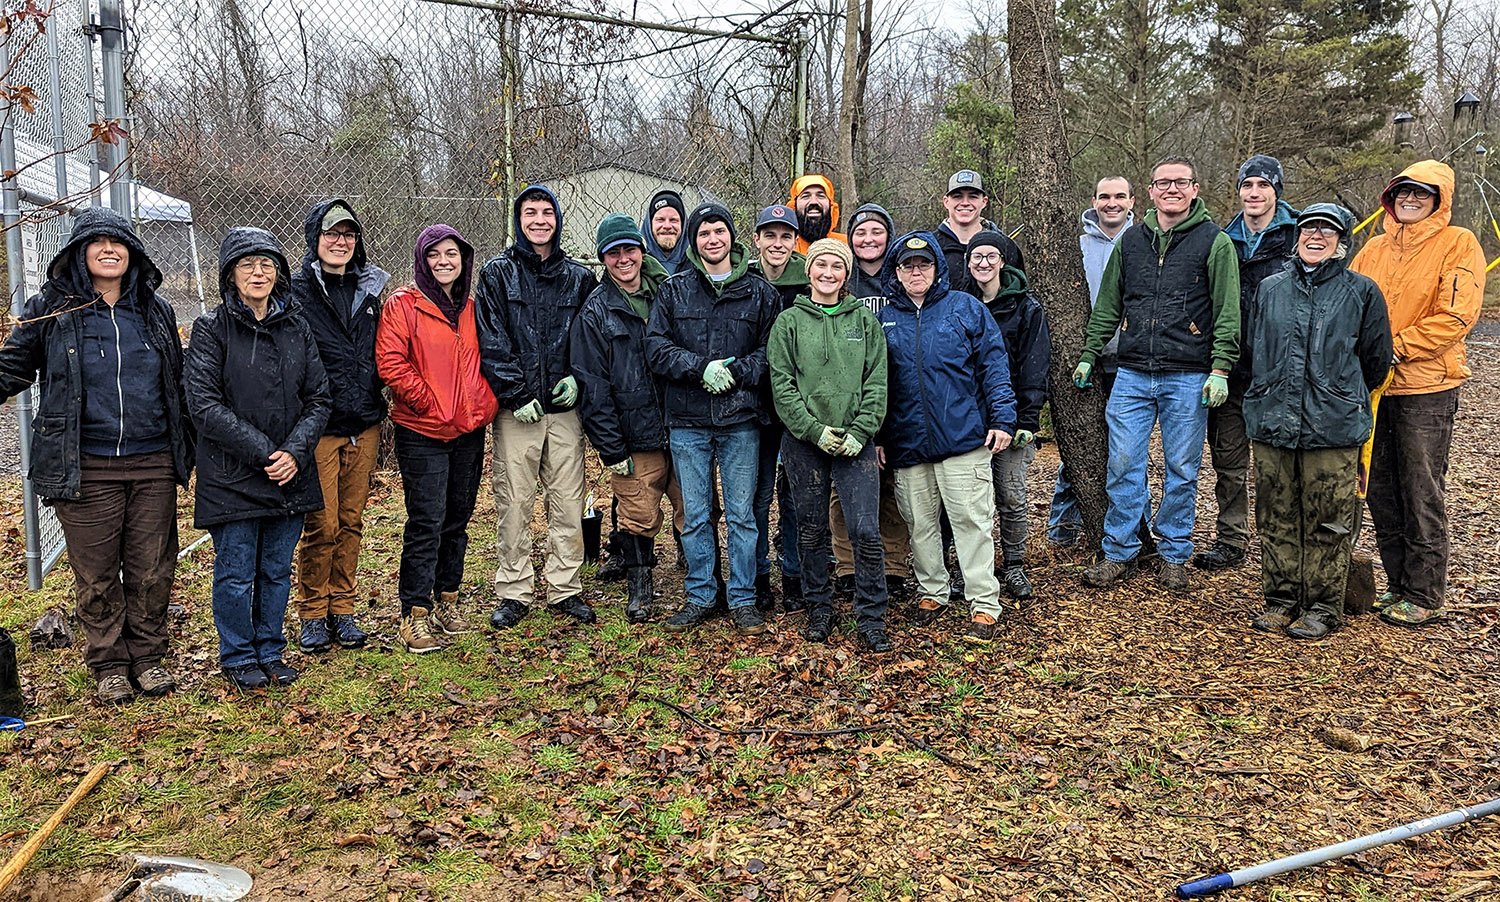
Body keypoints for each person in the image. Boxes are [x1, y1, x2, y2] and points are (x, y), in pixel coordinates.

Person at [0, 208, 193, 705]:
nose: (110, 249)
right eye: (97, 242)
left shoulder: (155, 310)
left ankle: (148, 657)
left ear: (134, 253)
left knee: (152, 567)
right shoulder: (52, 309)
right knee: (98, 571)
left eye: (119, 242)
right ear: (78, 253)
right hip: (85, 463)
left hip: (152, 460)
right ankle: (108, 662)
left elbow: (177, 383)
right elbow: (12, 367)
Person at [1074, 157, 1240, 592]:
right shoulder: (1132, 241)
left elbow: (1227, 311)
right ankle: (1119, 551)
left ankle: (1174, 552)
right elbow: (1109, 304)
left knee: (1182, 468)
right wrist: (1090, 354)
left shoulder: (1214, 242)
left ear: (1194, 189)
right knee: (1123, 463)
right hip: (1130, 373)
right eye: (1163, 182)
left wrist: (1220, 368)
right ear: (1150, 191)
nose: (1171, 189)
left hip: (1188, 374)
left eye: (1180, 182)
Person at [185, 228, 330, 690]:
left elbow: (319, 398)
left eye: (267, 263)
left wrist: (295, 451)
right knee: (235, 572)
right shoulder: (211, 329)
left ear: (280, 273)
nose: (258, 272)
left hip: (290, 473)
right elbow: (204, 404)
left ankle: (270, 648)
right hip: (233, 475)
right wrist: (267, 451)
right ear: (230, 274)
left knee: (275, 569)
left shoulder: (297, 327)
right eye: (247, 264)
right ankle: (238, 654)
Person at [1244, 204, 1391, 639]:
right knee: (1276, 514)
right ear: (1296, 235)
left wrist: (1336, 393)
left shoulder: (1362, 292)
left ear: (1342, 242)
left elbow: (1375, 362)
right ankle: (1280, 599)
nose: (1316, 236)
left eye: (1327, 231)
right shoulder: (1270, 288)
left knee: (1330, 518)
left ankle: (1324, 606)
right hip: (1272, 420)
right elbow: (1255, 350)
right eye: (1309, 228)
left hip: (1333, 425)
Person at [1350, 160, 1485, 627]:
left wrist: (1396, 349)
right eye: (1403, 192)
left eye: (1422, 194)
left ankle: (1425, 592)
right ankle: (1396, 582)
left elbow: (1457, 316)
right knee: (1380, 487)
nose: (1411, 200)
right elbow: (1350, 303)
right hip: (1374, 388)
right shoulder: (1372, 248)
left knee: (1420, 487)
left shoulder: (1458, 243)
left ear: (1439, 199)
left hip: (1427, 386)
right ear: (1390, 196)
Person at [646, 201, 781, 635]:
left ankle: (742, 597)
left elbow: (772, 353)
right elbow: (656, 348)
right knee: (698, 513)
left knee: (742, 514)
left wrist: (735, 372)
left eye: (719, 231)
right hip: (687, 421)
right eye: (703, 233)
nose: (712, 239)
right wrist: (699, 367)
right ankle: (702, 593)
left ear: (732, 237)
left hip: (741, 418)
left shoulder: (761, 293)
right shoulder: (673, 291)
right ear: (694, 240)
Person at [878, 232, 1016, 644]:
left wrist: (1003, 419)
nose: (915, 272)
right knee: (920, 523)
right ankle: (933, 591)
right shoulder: (884, 318)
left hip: (962, 436)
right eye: (907, 266)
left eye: (923, 265)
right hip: (906, 441)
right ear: (896, 272)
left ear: (937, 268)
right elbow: (877, 383)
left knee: (970, 520)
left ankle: (983, 601)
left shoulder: (965, 309)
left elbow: (994, 365)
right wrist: (880, 436)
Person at [476, 185, 599, 630]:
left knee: (567, 499)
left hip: (565, 410)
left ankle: (565, 586)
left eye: (548, 213)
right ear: (518, 219)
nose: (540, 221)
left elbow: (590, 340)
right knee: (514, 499)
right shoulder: (496, 275)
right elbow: (491, 340)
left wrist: (577, 378)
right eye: (531, 213)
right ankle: (514, 588)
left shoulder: (579, 277)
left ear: (558, 220)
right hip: (518, 412)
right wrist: (514, 393)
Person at [375, 224, 498, 653]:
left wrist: (479, 402)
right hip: (423, 429)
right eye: (434, 255)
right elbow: (391, 363)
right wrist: (430, 402)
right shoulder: (404, 305)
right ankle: (415, 612)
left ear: (464, 259)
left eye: (452, 254)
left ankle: (448, 599)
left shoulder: (471, 306)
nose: (444, 262)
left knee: (458, 517)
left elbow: (487, 357)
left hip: (468, 428)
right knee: (426, 520)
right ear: (421, 260)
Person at [768, 238, 891, 651]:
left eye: (836, 267)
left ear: (846, 274)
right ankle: (818, 608)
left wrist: (860, 432)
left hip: (856, 441)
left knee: (864, 528)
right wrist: (812, 430)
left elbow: (876, 381)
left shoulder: (864, 322)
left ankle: (872, 615)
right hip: (806, 441)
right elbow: (782, 386)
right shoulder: (789, 322)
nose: (828, 273)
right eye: (820, 265)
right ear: (810, 271)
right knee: (811, 528)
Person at [290, 199, 392, 653]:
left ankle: (343, 608)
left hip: (364, 422)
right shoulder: (294, 292)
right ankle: (312, 612)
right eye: (331, 233)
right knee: (322, 523)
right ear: (315, 238)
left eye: (348, 234)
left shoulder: (371, 290)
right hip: (319, 427)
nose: (340, 242)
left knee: (351, 520)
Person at [571, 214, 681, 623]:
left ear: (642, 249)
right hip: (634, 435)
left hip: (682, 424)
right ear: (602, 258)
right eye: (613, 252)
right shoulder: (596, 312)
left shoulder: (670, 294)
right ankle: (640, 587)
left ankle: (703, 581)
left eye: (629, 249)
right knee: (638, 513)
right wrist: (611, 446)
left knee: (695, 506)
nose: (623, 259)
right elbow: (592, 386)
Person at [1197, 155, 1299, 572]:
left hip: (1280, 371)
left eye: (1263, 185)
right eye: (1247, 185)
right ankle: (1232, 538)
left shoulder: (1299, 236)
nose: (1254, 193)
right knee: (1229, 460)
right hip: (1231, 370)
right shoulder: (1225, 239)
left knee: (1279, 466)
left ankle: (1282, 544)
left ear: (1276, 191)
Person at [830, 202, 912, 601]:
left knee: (891, 488)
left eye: (877, 231)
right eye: (860, 233)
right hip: (849, 399)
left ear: (889, 236)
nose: (868, 239)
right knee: (843, 489)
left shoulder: (902, 280)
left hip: (897, 396)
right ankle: (847, 568)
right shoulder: (842, 282)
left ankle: (893, 568)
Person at [1048, 176, 1134, 547]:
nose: (1111, 203)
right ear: (1094, 201)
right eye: (1104, 196)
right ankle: (1062, 528)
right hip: (1083, 359)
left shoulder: (1142, 243)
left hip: (1130, 362)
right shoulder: (1079, 247)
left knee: (1127, 451)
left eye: (1119, 196)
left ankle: (1131, 527)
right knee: (1080, 443)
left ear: (1132, 200)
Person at [967, 230, 1050, 600]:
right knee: (969, 499)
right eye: (976, 257)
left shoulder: (1026, 307)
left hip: (1012, 417)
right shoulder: (959, 303)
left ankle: (1014, 564)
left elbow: (1035, 365)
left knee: (1011, 495)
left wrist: (1028, 419)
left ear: (1003, 260)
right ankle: (967, 567)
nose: (983, 263)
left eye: (990, 256)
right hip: (969, 418)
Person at [748, 203, 810, 610]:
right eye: (769, 235)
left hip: (798, 406)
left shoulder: (808, 280)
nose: (777, 243)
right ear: (756, 240)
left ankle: (794, 574)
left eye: (785, 236)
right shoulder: (746, 281)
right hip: (754, 406)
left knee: (793, 496)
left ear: (794, 241)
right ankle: (757, 575)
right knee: (756, 495)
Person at [934, 169, 1025, 295]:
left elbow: (1018, 296)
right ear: (946, 201)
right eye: (957, 196)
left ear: (984, 202)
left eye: (973, 196)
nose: (965, 203)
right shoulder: (932, 247)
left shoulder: (1006, 247)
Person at [789, 174, 846, 252]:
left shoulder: (845, 245)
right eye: (805, 196)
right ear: (794, 205)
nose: (813, 202)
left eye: (821, 196)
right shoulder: (784, 245)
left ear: (831, 205)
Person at [642, 189, 689, 275]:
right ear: (649, 224)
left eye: (673, 220)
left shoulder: (697, 262)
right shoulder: (637, 263)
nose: (667, 226)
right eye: (660, 220)